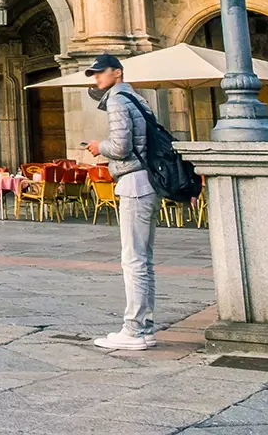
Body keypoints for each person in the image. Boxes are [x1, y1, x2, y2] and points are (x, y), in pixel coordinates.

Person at [83, 54, 159, 351]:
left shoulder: (117, 99)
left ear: (118, 72)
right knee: (144, 260)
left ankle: (134, 329)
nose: (97, 78)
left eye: (101, 73)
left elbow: (120, 147)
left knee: (133, 260)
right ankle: (146, 327)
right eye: (95, 74)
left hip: (134, 184)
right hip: (148, 181)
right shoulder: (138, 99)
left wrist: (97, 146)